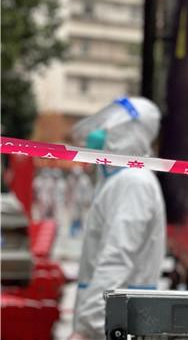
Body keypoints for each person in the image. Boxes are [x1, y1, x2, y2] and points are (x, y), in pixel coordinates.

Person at [69, 97, 166, 340]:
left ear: (129, 133)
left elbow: (117, 257)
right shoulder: (119, 180)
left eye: (108, 128)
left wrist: (87, 328)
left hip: (114, 323)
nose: (98, 134)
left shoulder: (134, 183)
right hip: (109, 321)